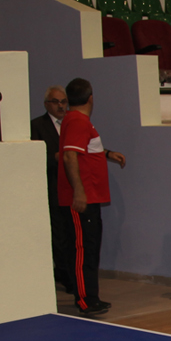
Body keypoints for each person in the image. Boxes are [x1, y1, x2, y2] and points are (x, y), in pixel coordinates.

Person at [56, 77, 126, 315]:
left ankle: (91, 296)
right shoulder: (77, 121)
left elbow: (84, 150)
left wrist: (107, 154)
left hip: (90, 197)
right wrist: (79, 191)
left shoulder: (78, 121)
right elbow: (69, 156)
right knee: (82, 250)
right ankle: (85, 300)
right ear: (90, 98)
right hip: (82, 199)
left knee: (90, 248)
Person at [31, 86, 73, 296]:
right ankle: (64, 275)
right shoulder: (37, 126)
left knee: (72, 233)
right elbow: (33, 158)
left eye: (64, 102)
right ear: (47, 104)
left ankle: (73, 273)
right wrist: (55, 157)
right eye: (56, 102)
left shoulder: (72, 124)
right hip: (52, 186)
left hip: (72, 186)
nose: (61, 106)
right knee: (59, 234)